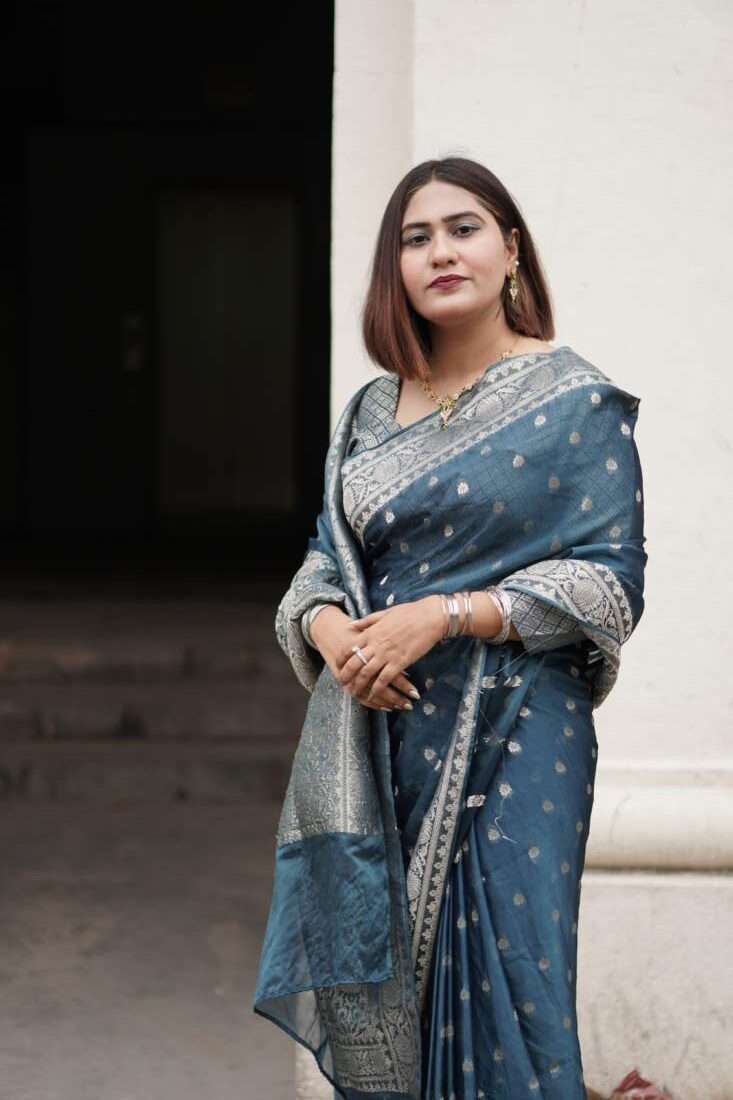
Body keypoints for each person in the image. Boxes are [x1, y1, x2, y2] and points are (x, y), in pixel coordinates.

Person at [254, 156, 647, 1100]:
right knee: (393, 996)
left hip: (518, 735)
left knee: (513, 987)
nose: (439, 252)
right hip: (381, 737)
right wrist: (331, 632)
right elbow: (327, 556)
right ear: (393, 269)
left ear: (509, 250)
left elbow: (611, 581)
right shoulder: (368, 412)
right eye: (415, 238)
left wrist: (444, 614)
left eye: (462, 229)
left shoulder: (573, 401)